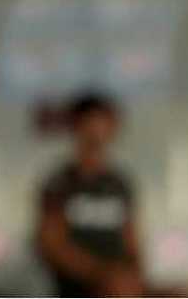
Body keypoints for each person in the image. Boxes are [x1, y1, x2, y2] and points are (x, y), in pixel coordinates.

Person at [36, 92, 145, 297]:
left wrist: (133, 275)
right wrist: (99, 273)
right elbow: (51, 245)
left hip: (118, 281)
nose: (98, 131)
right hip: (77, 283)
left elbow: (132, 241)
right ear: (76, 126)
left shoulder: (120, 184)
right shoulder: (60, 183)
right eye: (91, 122)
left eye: (105, 122)